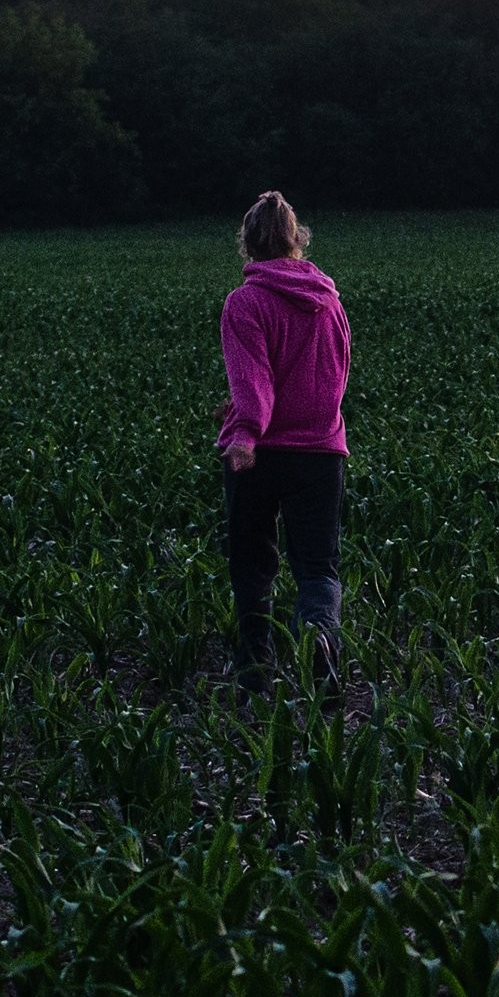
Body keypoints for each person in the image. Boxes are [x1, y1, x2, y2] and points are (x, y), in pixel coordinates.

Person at [217, 189, 350, 691]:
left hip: (260, 453)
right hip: (321, 451)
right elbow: (335, 374)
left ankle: (256, 674)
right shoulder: (329, 301)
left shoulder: (245, 301)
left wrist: (245, 431)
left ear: (247, 245)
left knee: (252, 566)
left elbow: (253, 379)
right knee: (318, 567)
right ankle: (319, 643)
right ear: (297, 241)